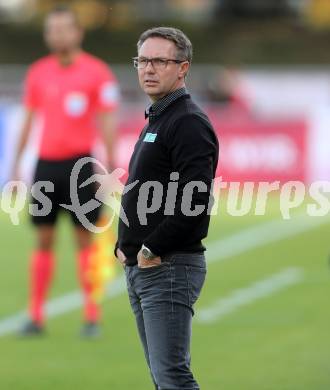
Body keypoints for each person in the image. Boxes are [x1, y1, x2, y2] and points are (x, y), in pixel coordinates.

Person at [115, 27, 219, 389]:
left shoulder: (187, 121)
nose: (149, 68)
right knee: (164, 378)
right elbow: (143, 190)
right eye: (143, 60)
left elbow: (196, 201)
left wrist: (151, 247)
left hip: (168, 264)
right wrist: (124, 243)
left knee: (172, 378)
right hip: (145, 266)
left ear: (183, 68)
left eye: (160, 60)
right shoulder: (159, 117)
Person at [13, 5, 119, 337]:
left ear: (77, 32)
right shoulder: (38, 72)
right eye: (52, 29)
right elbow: (29, 120)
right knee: (43, 240)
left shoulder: (97, 72)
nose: (57, 35)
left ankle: (91, 315)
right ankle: (36, 315)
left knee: (84, 242)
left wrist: (111, 165)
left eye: (63, 29)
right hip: (46, 166)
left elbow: (106, 119)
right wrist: (16, 164)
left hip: (81, 167)